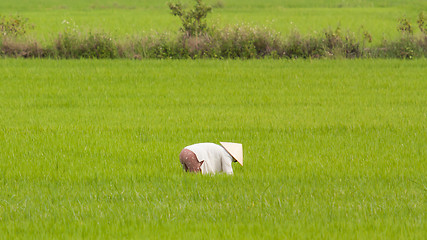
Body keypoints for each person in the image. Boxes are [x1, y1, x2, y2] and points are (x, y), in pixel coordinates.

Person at [179, 142, 243, 174]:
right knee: (196, 180)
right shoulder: (227, 155)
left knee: (188, 178)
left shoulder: (219, 148)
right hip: (193, 155)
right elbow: (228, 172)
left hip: (184, 152)